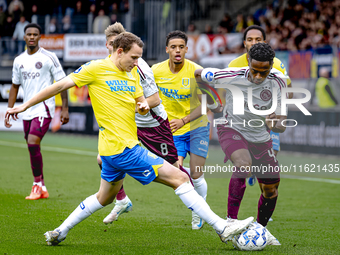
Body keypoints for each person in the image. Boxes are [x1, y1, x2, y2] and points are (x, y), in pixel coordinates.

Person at [6, 32, 254, 246]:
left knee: (104, 197)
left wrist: (143, 107)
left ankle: (60, 231)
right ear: (120, 51)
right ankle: (223, 227)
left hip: (113, 151)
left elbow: (139, 102)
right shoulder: (95, 68)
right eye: (134, 57)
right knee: (179, 177)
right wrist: (23, 105)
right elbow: (58, 87)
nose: (137, 63)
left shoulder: (132, 74)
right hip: (123, 148)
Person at [99, 22, 192, 225]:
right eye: (109, 44)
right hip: (130, 125)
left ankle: (198, 202)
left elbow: (155, 100)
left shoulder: (138, 66)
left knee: (175, 169)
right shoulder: (106, 65)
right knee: (102, 159)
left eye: (115, 43)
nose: (112, 48)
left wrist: (127, 109)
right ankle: (122, 200)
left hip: (153, 125)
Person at [195, 42, 287, 246]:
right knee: (244, 165)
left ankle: (262, 231)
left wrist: (275, 124)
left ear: (271, 66)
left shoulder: (278, 82)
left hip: (261, 137)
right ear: (248, 62)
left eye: (264, 72)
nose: (258, 77)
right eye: (255, 71)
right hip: (231, 128)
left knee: (271, 189)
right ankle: (230, 222)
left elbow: (281, 125)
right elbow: (198, 74)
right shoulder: (229, 75)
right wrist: (211, 101)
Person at [152, 31, 210, 230]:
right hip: (172, 130)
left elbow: (206, 105)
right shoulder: (156, 71)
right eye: (173, 47)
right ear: (167, 49)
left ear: (186, 49)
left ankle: (198, 213)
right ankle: (198, 205)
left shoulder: (197, 71)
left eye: (181, 47)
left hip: (196, 126)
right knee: (176, 171)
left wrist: (184, 119)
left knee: (196, 174)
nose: (177, 50)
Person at [4, 23, 69, 200]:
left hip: (44, 108)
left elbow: (62, 83)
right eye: (29, 34)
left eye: (35, 34)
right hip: (27, 110)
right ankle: (42, 186)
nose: (32, 37)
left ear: (40, 37)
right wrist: (10, 110)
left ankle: (36, 185)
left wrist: (64, 107)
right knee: (32, 145)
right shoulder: (19, 60)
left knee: (33, 142)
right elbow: (14, 87)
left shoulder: (49, 57)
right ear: (24, 37)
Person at [228, 25, 293, 187]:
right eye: (250, 39)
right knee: (245, 163)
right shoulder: (234, 65)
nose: (253, 42)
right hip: (245, 120)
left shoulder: (276, 64)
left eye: (258, 39)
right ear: (244, 43)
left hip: (269, 118)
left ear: (264, 41)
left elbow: (288, 90)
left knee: (272, 156)